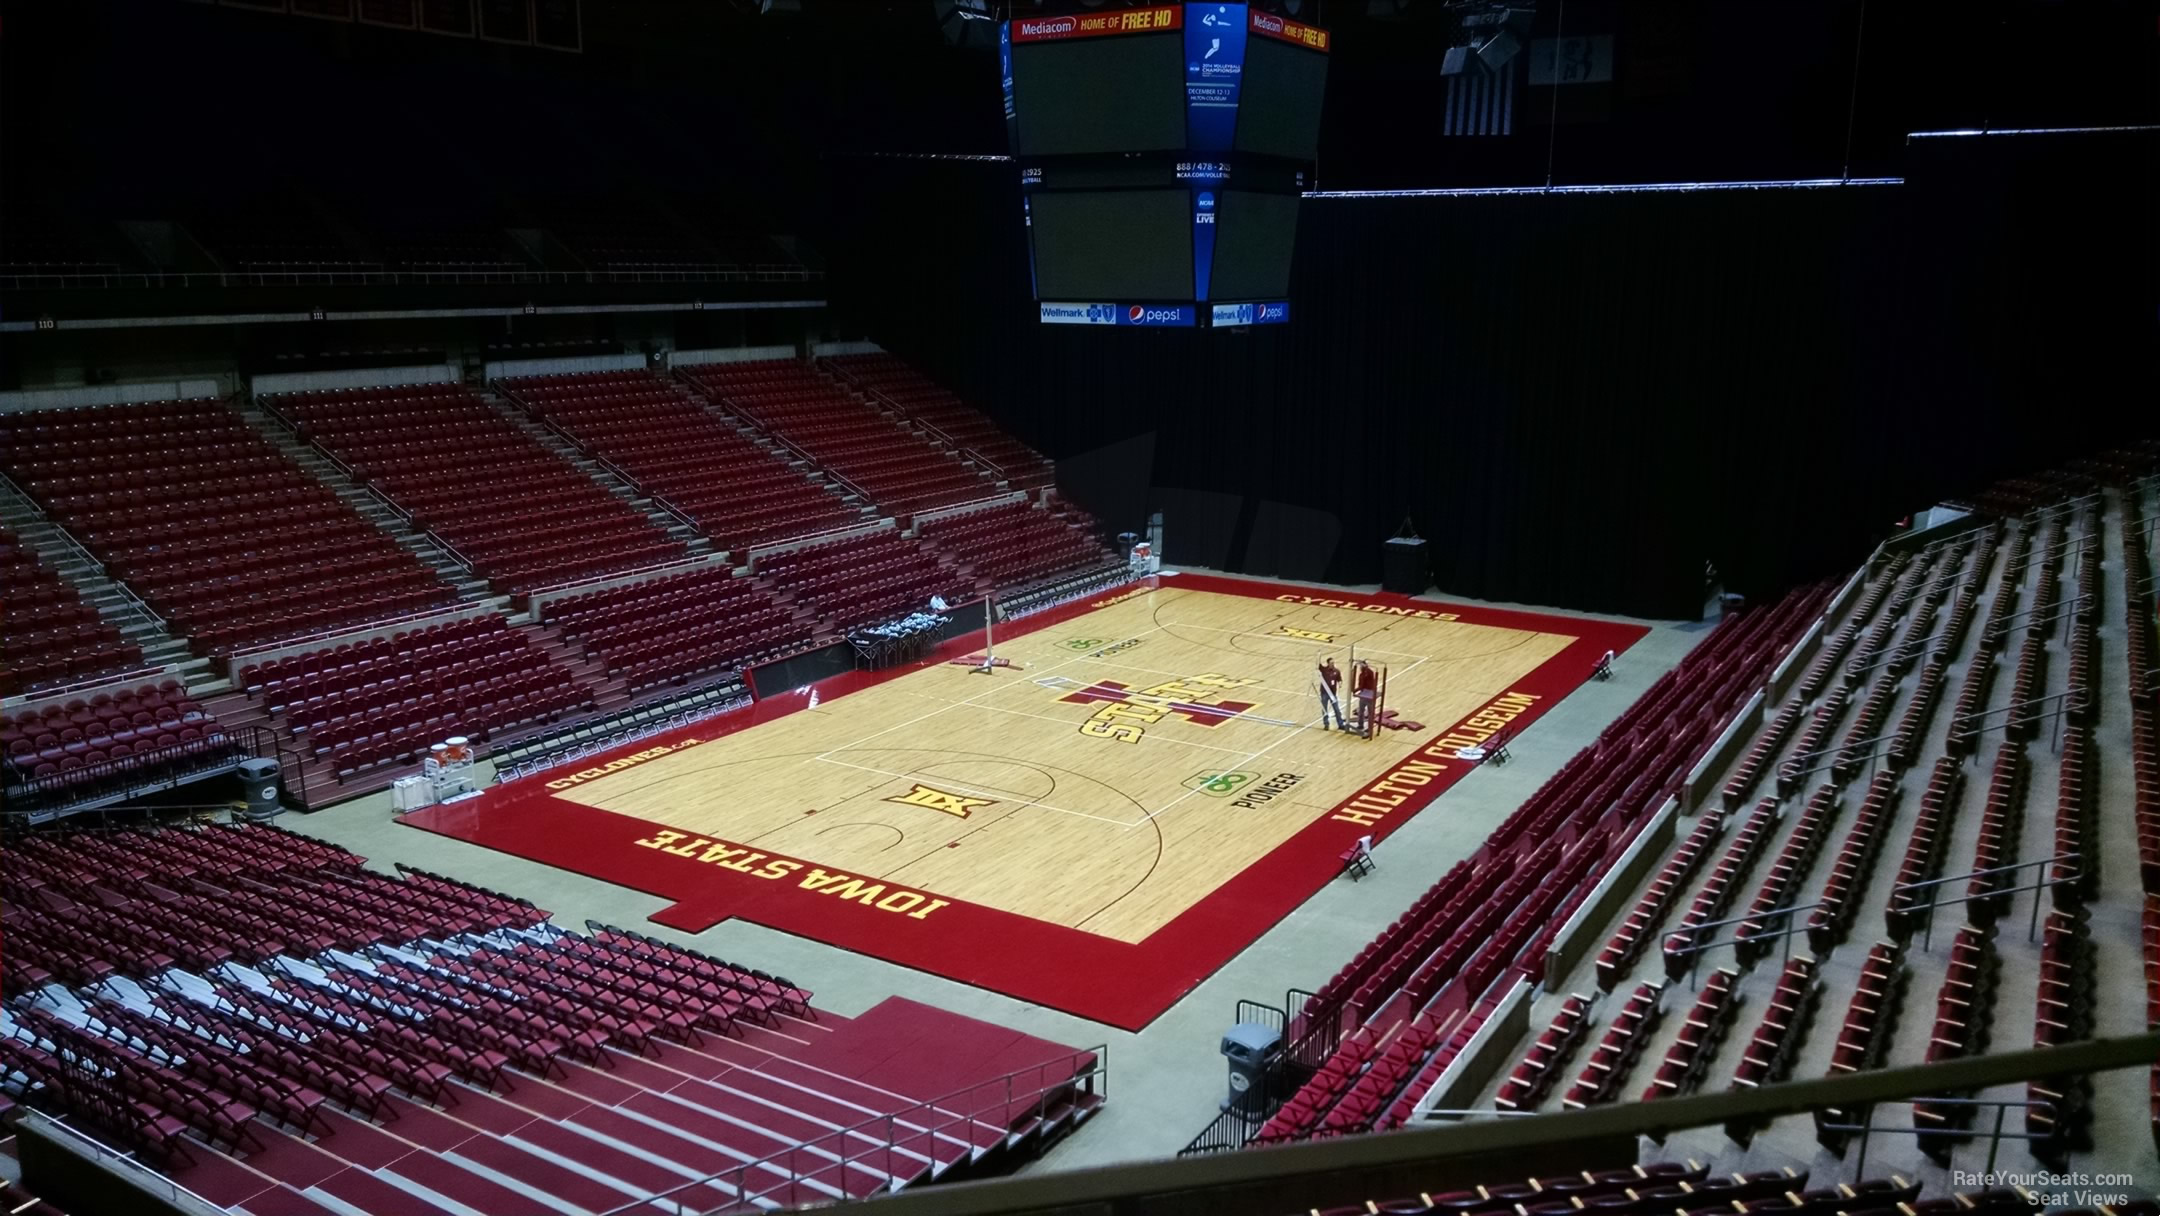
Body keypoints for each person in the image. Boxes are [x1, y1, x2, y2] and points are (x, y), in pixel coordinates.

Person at [1352, 659, 1379, 737]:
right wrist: (1356, 690)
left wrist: (1355, 690)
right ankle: (1360, 725)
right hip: (1363, 693)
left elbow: (1368, 676)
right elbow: (1361, 685)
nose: (1361, 668)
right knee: (1361, 710)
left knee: (1371, 713)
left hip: (1370, 694)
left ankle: (1370, 729)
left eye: (1362, 666)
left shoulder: (1369, 672)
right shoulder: (1361, 675)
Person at [1317, 657, 1345, 731]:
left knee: (1337, 709)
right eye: (1331, 663)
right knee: (1324, 709)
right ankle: (1326, 724)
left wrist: (1340, 684)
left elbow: (1339, 679)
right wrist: (1319, 655)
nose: (1333, 664)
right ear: (1328, 663)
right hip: (1324, 693)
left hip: (1333, 693)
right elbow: (1317, 664)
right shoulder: (1324, 670)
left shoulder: (1337, 671)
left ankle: (1340, 724)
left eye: (1333, 662)